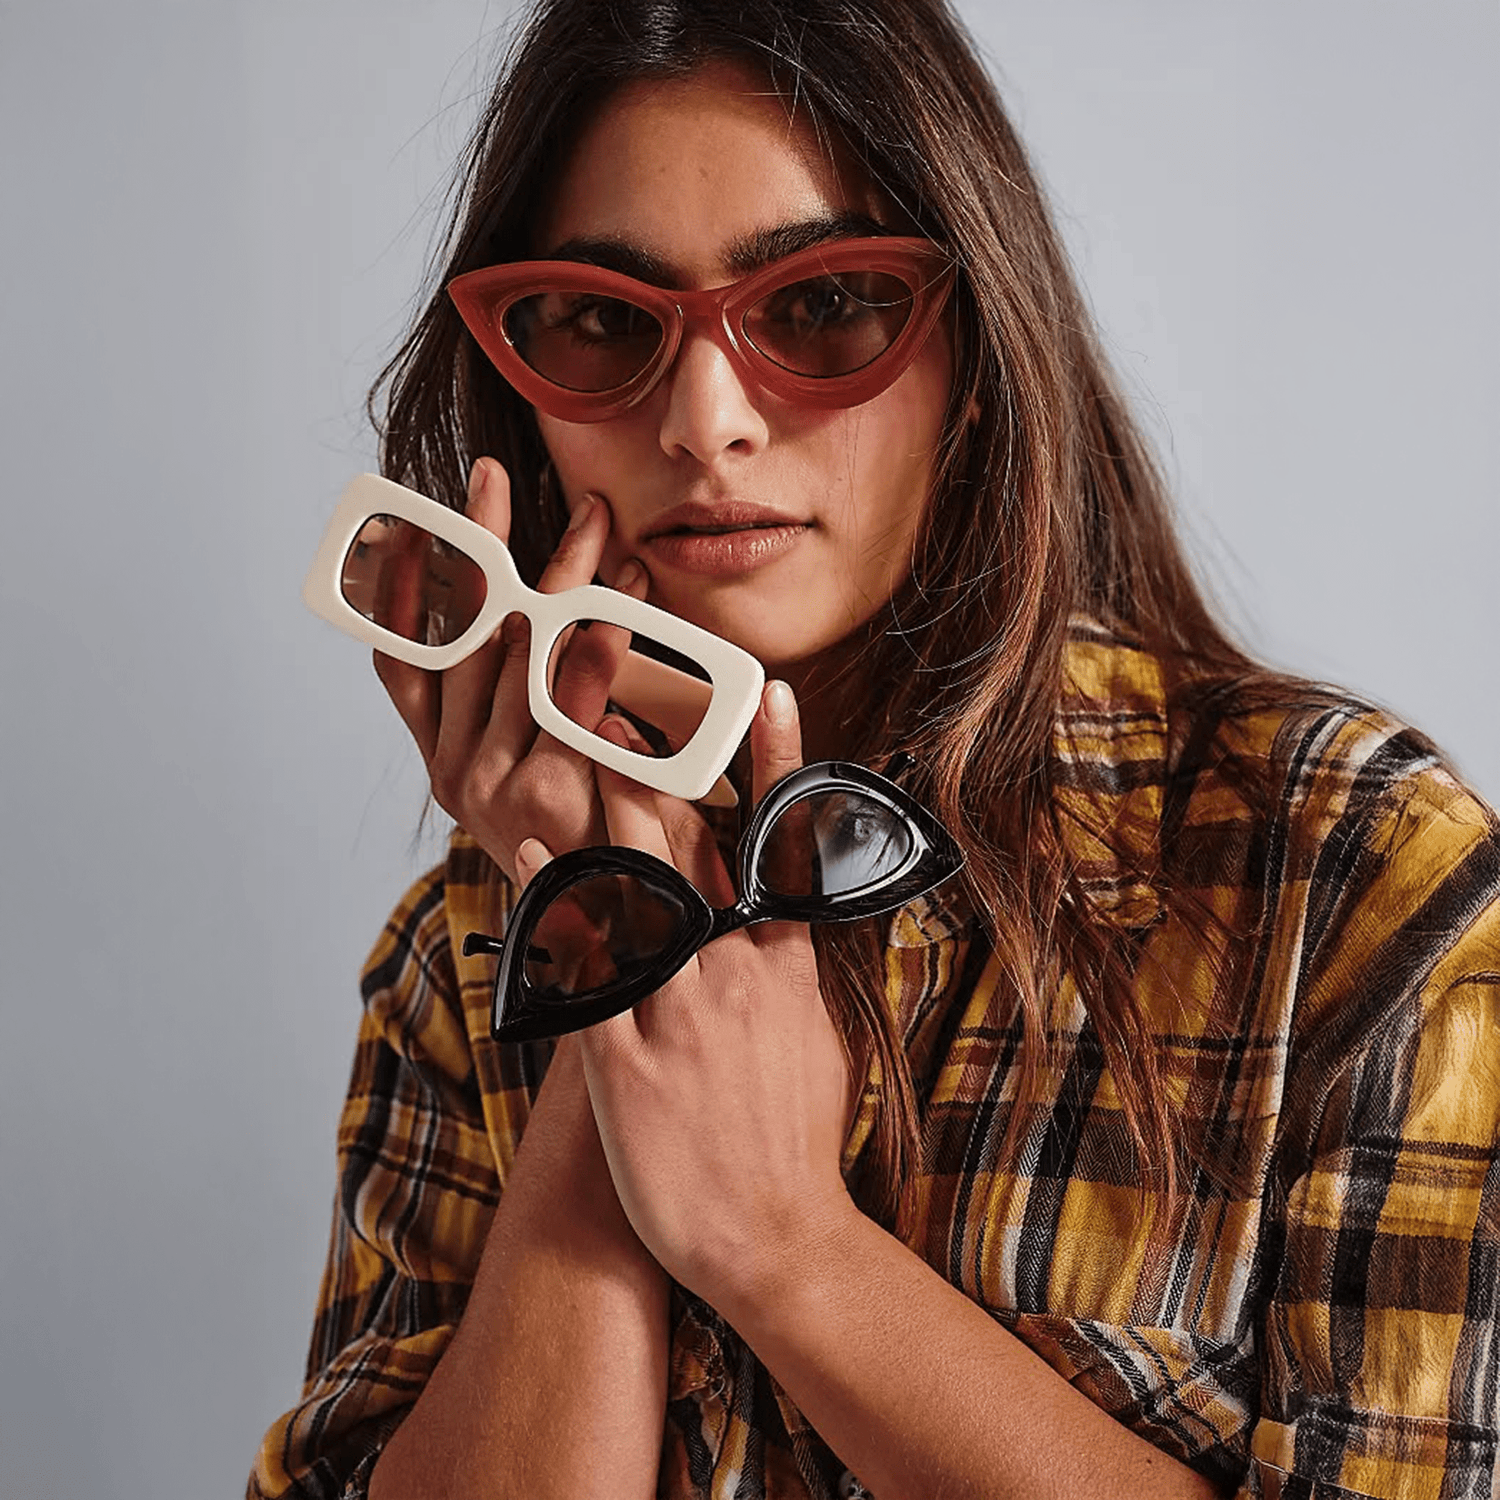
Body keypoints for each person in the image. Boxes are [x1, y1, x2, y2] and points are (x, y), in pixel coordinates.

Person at [248, 1, 1500, 1496]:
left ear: (975, 342)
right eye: (602, 320)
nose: (705, 422)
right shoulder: (467, 951)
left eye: (824, 303)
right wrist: (615, 940)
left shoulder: (1358, 882)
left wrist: (785, 1244)